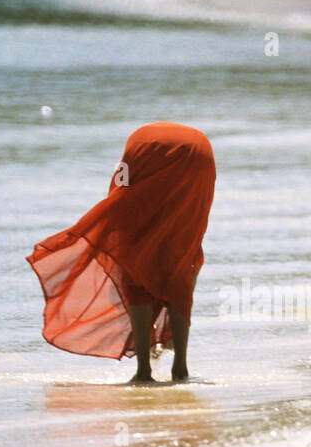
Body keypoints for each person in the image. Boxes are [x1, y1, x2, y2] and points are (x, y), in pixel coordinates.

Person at [27, 124, 217, 384]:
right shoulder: (146, 146)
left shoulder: (135, 149)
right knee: (181, 258)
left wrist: (114, 231)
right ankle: (180, 368)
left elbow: (121, 184)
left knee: (134, 267)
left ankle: (143, 371)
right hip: (200, 155)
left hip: (157, 150)